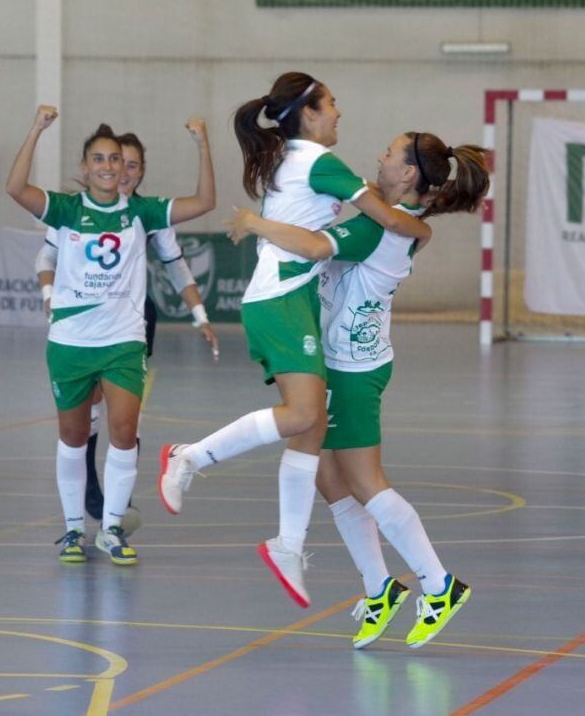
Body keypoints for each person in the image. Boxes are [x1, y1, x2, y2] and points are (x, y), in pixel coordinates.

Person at [158, 72, 431, 608]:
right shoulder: (320, 162)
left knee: (311, 424)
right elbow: (386, 217)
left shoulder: (298, 160)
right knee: (304, 414)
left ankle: (288, 544)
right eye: (331, 103)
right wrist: (423, 228)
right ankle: (190, 457)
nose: (339, 112)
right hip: (280, 297)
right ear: (309, 113)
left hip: (293, 299)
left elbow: (376, 197)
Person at [229, 131, 488, 648]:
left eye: (389, 154)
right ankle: (379, 588)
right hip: (345, 359)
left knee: (367, 482)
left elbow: (311, 246)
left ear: (409, 173)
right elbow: (371, 199)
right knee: (329, 479)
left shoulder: (377, 229)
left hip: (353, 367)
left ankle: (439, 584)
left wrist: (253, 222)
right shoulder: (394, 219)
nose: (379, 157)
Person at [7, 105, 215, 565]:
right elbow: (16, 189)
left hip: (122, 341)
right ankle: (72, 530)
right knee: (74, 436)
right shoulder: (66, 210)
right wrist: (36, 128)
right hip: (70, 341)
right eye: (98, 159)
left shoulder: (142, 212)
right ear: (85, 168)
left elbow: (204, 202)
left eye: (114, 159)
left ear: (126, 169)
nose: (107, 166)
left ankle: (112, 528)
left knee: (124, 433)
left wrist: (202, 144)